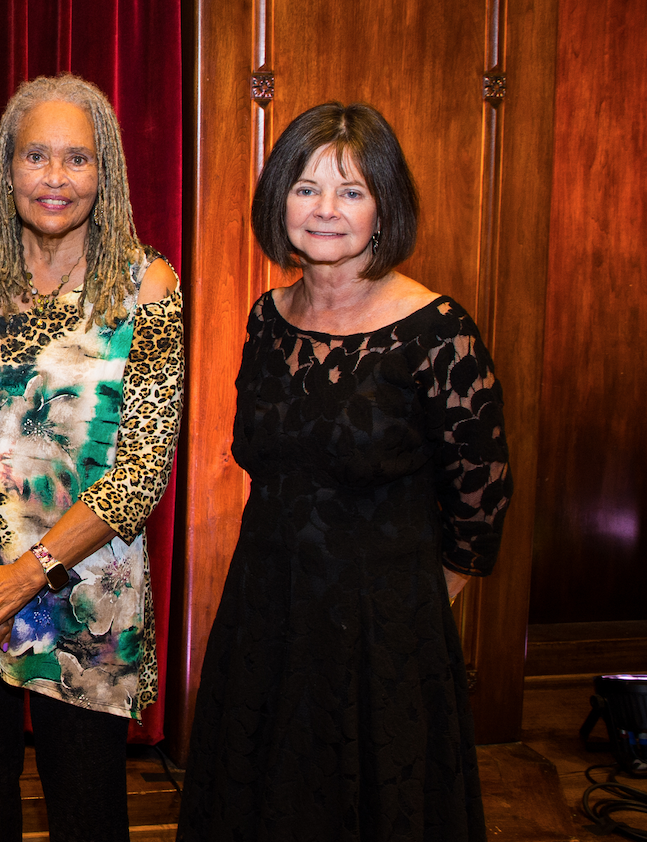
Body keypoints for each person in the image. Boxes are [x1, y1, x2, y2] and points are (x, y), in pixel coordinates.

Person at [177, 103, 511, 842]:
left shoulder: (439, 332)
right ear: (279, 202)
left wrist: (410, 606)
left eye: (352, 190)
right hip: (264, 614)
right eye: (306, 187)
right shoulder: (269, 317)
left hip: (382, 634)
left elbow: (481, 500)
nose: (326, 209)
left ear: (385, 206)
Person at [0, 74, 183, 842]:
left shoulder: (146, 287)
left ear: (104, 171)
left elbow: (142, 469)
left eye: (77, 160)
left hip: (81, 599)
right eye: (36, 157)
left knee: (90, 818)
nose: (55, 179)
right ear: (4, 168)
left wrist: (16, 582)